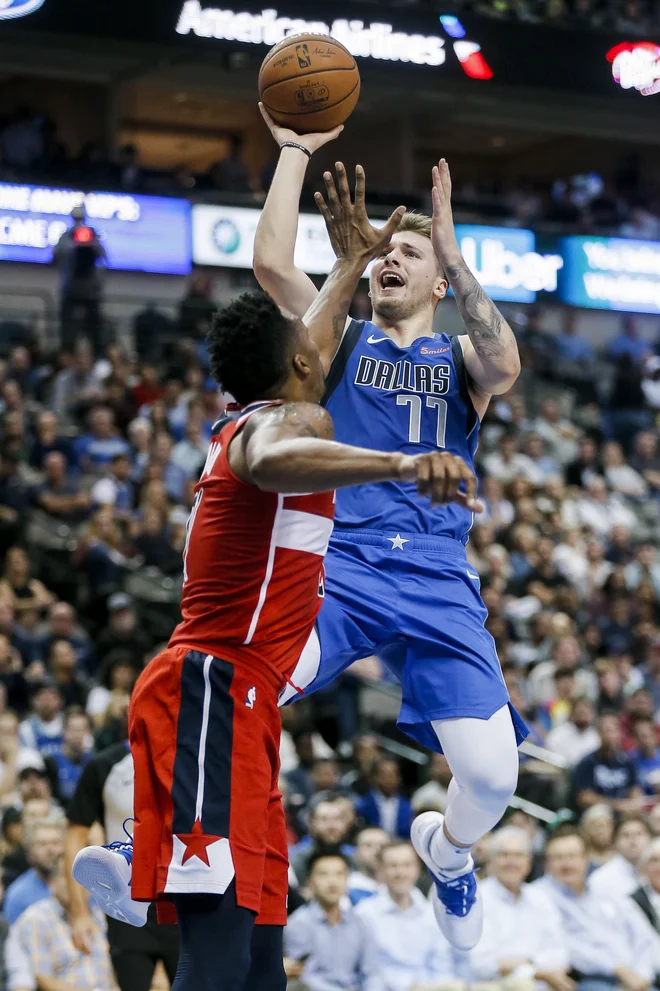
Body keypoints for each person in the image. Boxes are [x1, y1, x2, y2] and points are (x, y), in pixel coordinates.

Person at [71, 212, 482, 991]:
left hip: (250, 702)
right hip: (211, 688)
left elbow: (312, 337)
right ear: (301, 359)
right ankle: (140, 848)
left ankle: (140, 851)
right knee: (219, 947)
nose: (322, 334)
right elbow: (271, 456)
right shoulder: (274, 424)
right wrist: (398, 462)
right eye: (310, 335)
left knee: (263, 958)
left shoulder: (280, 400)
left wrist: (348, 264)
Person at [255, 106, 526, 952]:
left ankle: (448, 853)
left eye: (407, 253)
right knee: (247, 685)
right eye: (384, 252)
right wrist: (296, 152)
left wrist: (450, 248)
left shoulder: (460, 363)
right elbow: (269, 263)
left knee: (491, 777)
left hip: (440, 578)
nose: (389, 260)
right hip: (341, 565)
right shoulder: (341, 336)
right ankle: (164, 832)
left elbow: (507, 363)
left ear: (439, 281)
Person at [65, 742, 180, 991]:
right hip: (126, 899)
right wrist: (79, 912)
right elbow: (75, 835)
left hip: (182, 897)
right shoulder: (105, 764)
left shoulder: (194, 755)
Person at [535, 828, 660, 991]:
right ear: (547, 863)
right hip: (588, 977)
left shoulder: (603, 891)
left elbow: (642, 936)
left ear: (586, 859)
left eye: (572, 856)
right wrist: (619, 969)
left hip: (634, 977)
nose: (566, 864)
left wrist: (642, 975)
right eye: (558, 858)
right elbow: (567, 945)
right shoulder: (540, 896)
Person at [467, 827, 569, 989]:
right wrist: (535, 971)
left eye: (518, 856)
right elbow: (482, 965)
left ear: (529, 863)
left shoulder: (541, 898)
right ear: (492, 861)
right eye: (505, 855)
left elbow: (560, 954)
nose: (512, 862)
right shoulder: (477, 898)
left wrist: (524, 963)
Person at [356, 841, 457, 991]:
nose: (401, 873)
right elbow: (370, 971)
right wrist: (411, 986)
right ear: (381, 870)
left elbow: (442, 965)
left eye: (407, 865)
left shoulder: (431, 913)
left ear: (417, 869)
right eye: (393, 866)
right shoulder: (365, 914)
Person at [9, 857, 114, 991]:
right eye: (68, 878)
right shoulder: (36, 918)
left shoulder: (97, 914)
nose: (75, 886)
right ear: (52, 883)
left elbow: (109, 969)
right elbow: (42, 979)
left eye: (81, 879)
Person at [284, 851, 383, 991]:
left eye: (339, 874)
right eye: (323, 874)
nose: (332, 881)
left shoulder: (360, 923)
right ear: (310, 882)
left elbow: (372, 972)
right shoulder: (298, 923)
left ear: (347, 881)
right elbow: (304, 976)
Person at [53, 205, 107, 358]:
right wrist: (73, 247)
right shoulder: (66, 237)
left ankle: (97, 356)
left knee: (94, 329)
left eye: (80, 218)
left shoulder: (93, 236)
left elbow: (104, 258)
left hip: (91, 291)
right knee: (68, 331)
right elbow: (56, 255)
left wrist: (91, 246)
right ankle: (66, 355)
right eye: (76, 218)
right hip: (70, 289)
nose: (78, 222)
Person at [572, 712, 643, 812]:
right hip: (598, 813)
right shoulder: (588, 762)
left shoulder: (628, 761)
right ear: (598, 733)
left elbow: (636, 792)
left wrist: (633, 804)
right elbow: (584, 798)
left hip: (624, 813)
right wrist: (617, 805)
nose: (611, 735)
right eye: (607, 731)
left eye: (615, 730)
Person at [3, 816, 65, 924]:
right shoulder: (18, 896)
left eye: (55, 843)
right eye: (42, 844)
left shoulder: (82, 887)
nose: (50, 850)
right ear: (29, 851)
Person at [588, 816, 651, 900]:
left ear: (650, 838)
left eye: (638, 834)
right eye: (626, 835)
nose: (633, 841)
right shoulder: (601, 879)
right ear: (615, 842)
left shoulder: (656, 872)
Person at [355, 758, 414, 840]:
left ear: (399, 778)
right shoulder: (363, 804)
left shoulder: (407, 806)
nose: (388, 780)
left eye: (391, 775)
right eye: (383, 775)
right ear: (374, 777)